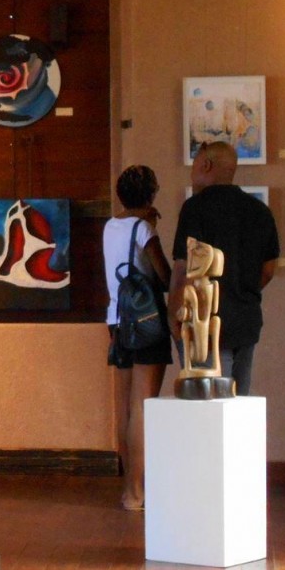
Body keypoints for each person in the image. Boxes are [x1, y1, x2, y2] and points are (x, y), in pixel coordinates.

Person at [168, 141, 279, 395]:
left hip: (205, 325)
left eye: (195, 164)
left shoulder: (195, 208)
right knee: (238, 404)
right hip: (247, 321)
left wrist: (173, 314)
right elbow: (268, 269)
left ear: (206, 165)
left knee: (209, 406)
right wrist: (241, 289)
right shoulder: (260, 211)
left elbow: (183, 269)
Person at [103, 166, 172, 511]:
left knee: (125, 408)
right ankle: (136, 492)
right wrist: (151, 225)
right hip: (145, 323)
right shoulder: (144, 229)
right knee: (142, 407)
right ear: (152, 194)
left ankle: (128, 488)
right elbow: (165, 277)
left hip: (117, 321)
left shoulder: (109, 226)